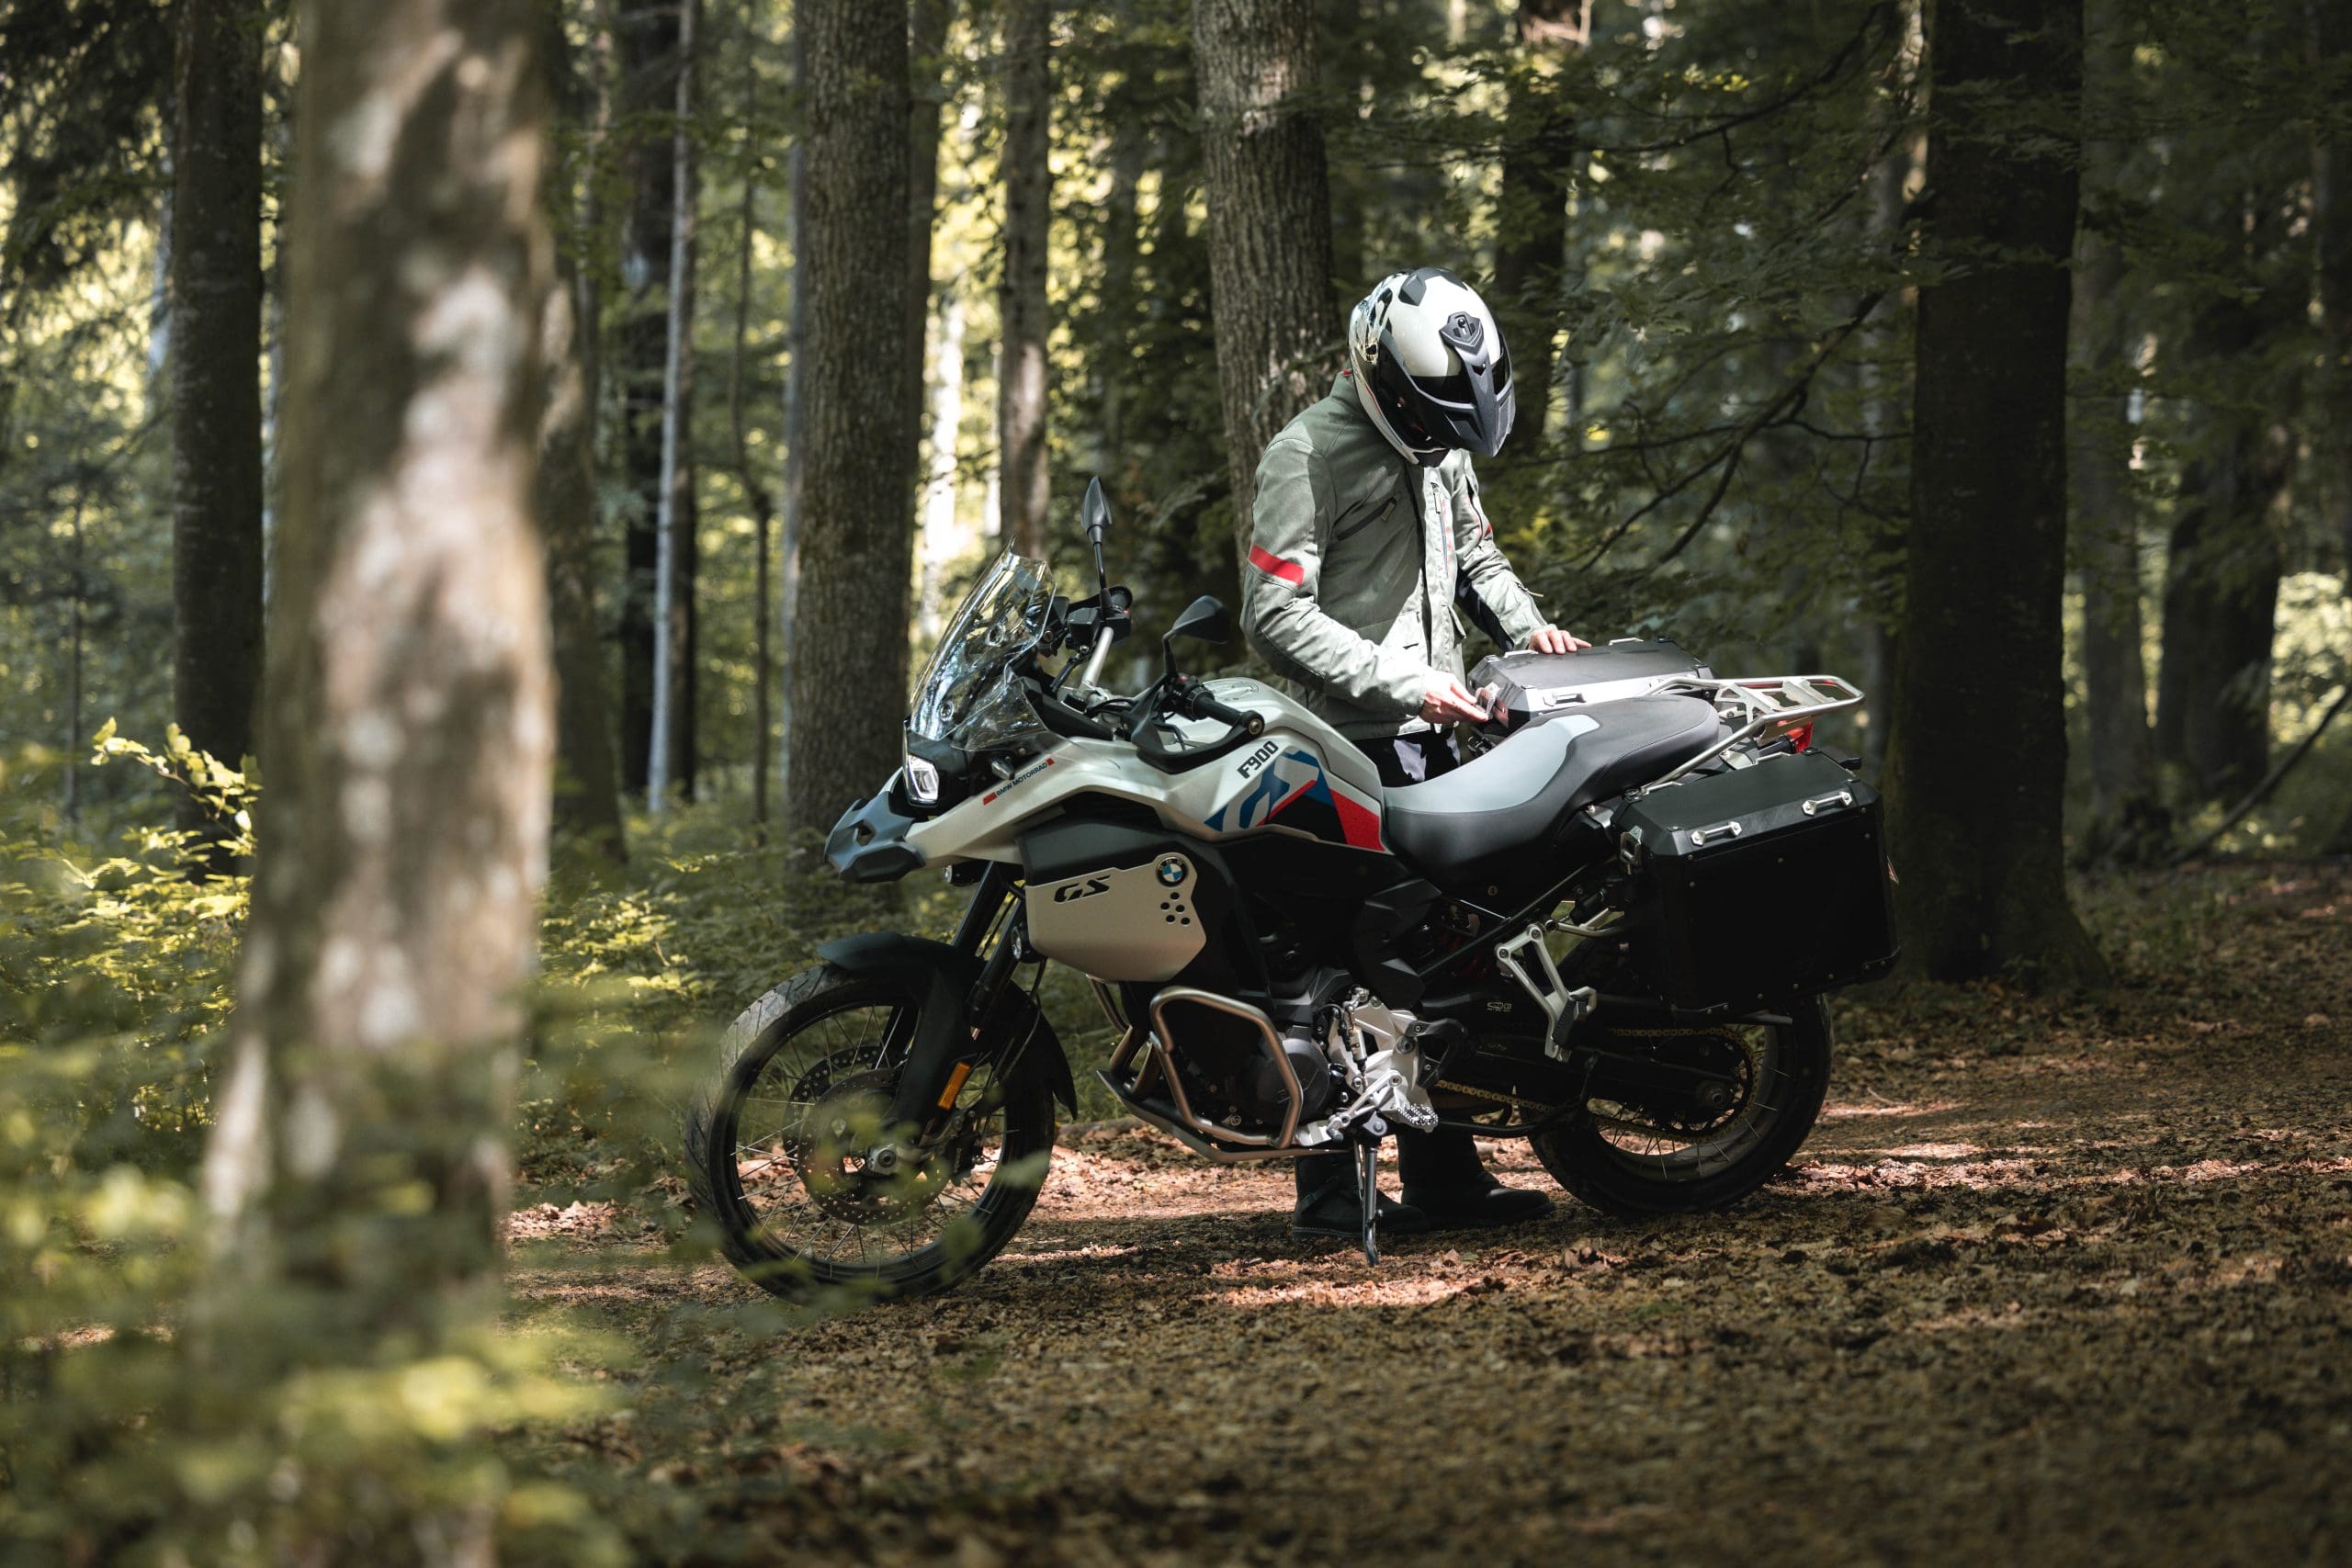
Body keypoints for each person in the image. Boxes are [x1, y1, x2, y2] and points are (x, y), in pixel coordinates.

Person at [1240, 265, 1589, 1241]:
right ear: (1378, 372)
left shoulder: (1441, 440)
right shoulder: (1306, 453)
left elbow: (1477, 558)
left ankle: (1445, 1180)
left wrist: (1531, 631)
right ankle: (1330, 1198)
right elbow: (1272, 614)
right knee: (1343, 975)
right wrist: (1400, 684)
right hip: (1345, 749)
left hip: (1444, 738)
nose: (1441, 436)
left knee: (1446, 964)